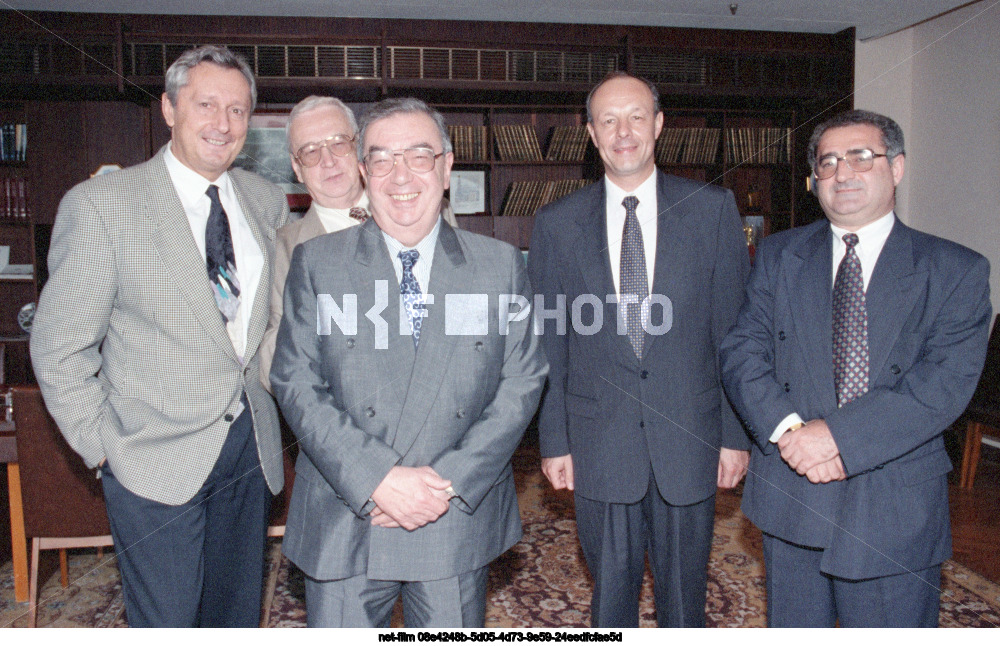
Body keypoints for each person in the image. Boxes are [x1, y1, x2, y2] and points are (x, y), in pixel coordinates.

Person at [29, 45, 288, 627]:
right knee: (168, 623)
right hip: (150, 460)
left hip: (249, 453)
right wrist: (105, 448)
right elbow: (58, 346)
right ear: (169, 109)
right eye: (206, 104)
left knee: (234, 619)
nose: (222, 124)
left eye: (239, 110)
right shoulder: (104, 204)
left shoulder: (264, 201)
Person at [269, 97, 547, 627]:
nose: (401, 176)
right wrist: (377, 478)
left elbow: (522, 381)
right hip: (349, 511)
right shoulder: (317, 264)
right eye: (382, 158)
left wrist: (444, 483)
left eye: (419, 156)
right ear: (363, 172)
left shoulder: (499, 266)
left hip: (451, 515)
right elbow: (296, 381)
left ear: (445, 169)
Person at [719, 109, 991, 627]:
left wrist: (836, 438)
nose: (843, 173)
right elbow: (742, 350)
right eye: (828, 162)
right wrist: (792, 433)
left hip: (894, 504)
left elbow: (941, 386)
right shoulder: (778, 255)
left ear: (897, 167)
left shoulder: (956, 270)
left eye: (861, 157)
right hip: (794, 492)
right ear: (814, 179)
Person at [527, 71, 751, 627]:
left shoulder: (712, 209)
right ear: (591, 134)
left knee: (684, 600)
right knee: (611, 600)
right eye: (608, 120)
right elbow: (550, 342)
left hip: (691, 439)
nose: (623, 131)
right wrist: (555, 441)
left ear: (658, 124)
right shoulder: (556, 224)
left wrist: (733, 434)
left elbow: (734, 332)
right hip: (598, 441)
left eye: (635, 117)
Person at [258, 95, 368, 392]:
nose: (327, 160)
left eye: (338, 142)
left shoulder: (422, 210)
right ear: (296, 167)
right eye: (310, 151)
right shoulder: (279, 250)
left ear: (358, 145)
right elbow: (272, 363)